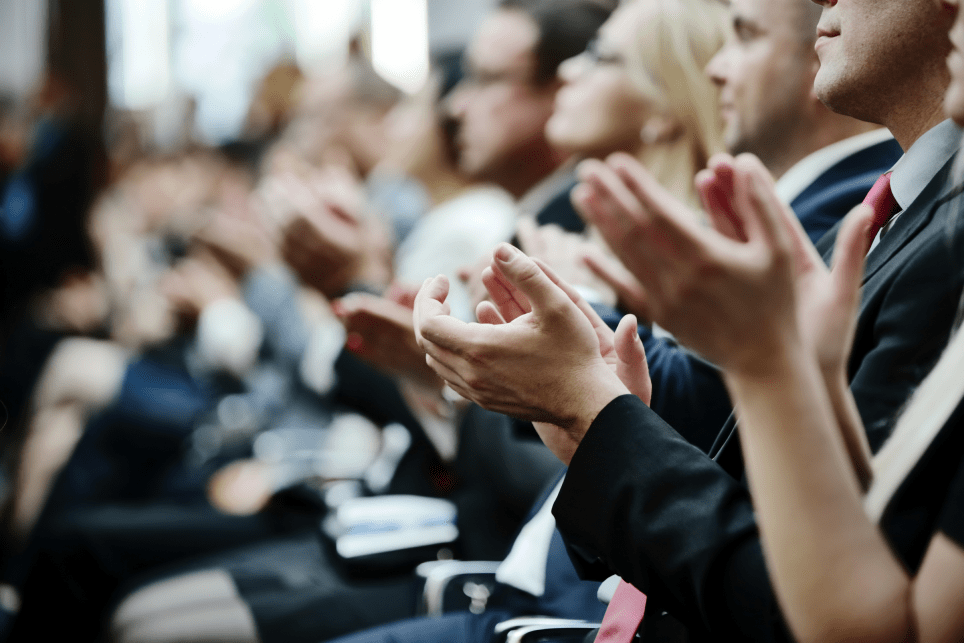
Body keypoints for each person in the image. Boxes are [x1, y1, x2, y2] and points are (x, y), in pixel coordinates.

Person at [410, 0, 964, 638]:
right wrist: (595, 411)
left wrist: (599, 410)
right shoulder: (899, 209)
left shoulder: (902, 225)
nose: (717, 71)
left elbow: (849, 612)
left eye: (747, 36)